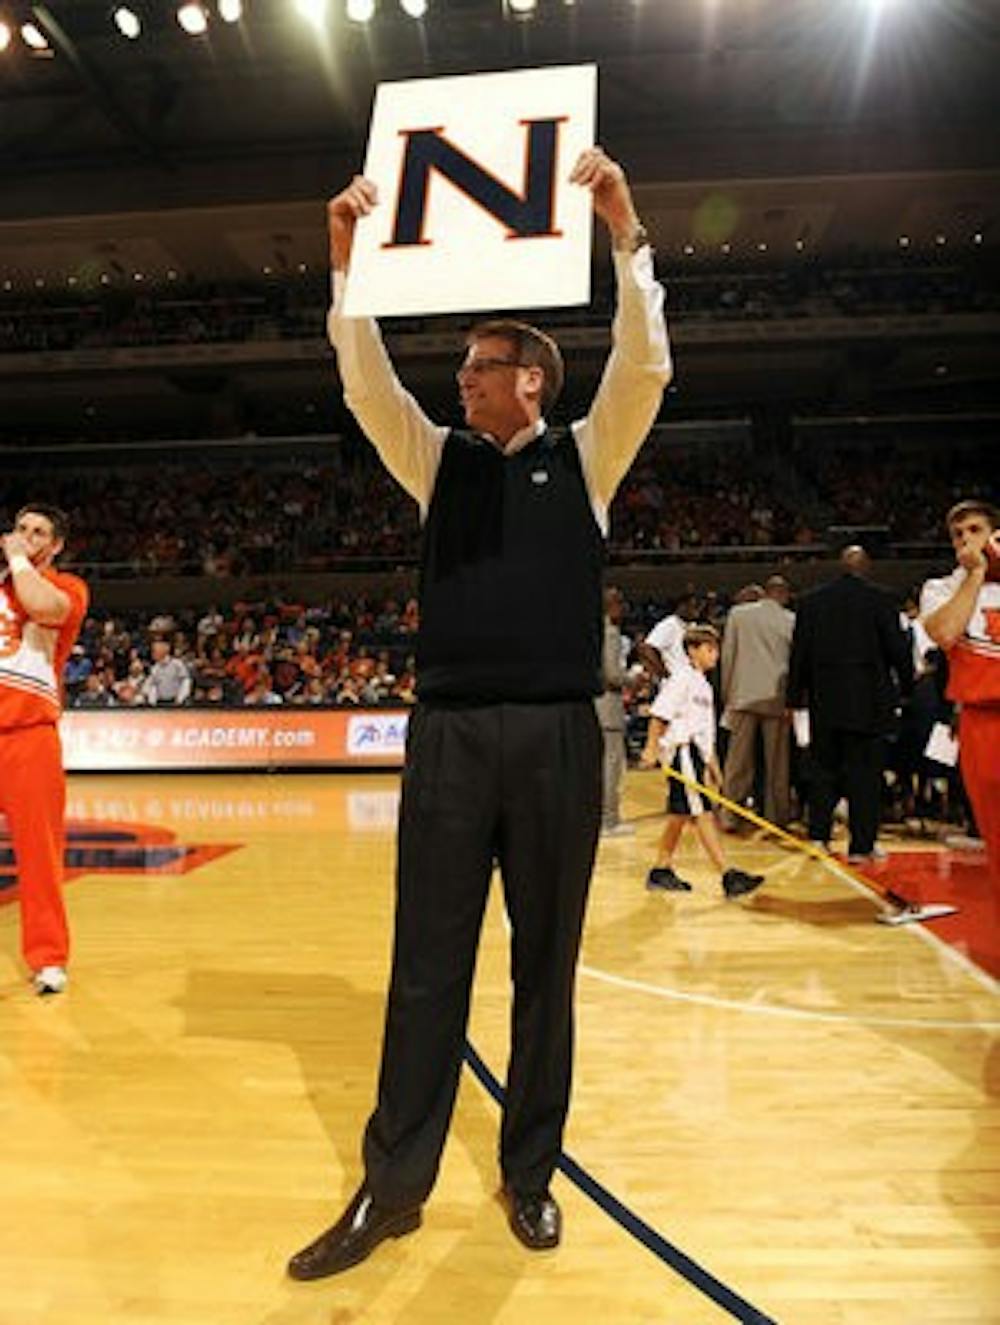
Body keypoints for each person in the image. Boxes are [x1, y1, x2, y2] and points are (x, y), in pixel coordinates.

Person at [287, 147, 671, 1280]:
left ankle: (531, 1172)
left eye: (477, 365)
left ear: (532, 379)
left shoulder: (589, 458)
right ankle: (391, 1184)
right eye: (460, 366)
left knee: (544, 966)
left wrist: (624, 226)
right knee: (425, 966)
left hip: (557, 735)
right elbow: (365, 382)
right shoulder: (435, 460)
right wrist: (344, 262)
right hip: (450, 737)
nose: (457, 379)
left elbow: (644, 367)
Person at [0, 504, 89, 995]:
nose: (27, 537)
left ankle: (48, 959)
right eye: (20, 529)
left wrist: (16, 561)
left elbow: (42, 608)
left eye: (39, 533)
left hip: (28, 737)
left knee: (38, 856)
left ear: (54, 547)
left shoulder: (67, 588)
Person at [786, 545, 914, 862]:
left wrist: (793, 698)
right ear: (866, 567)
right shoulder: (882, 599)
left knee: (823, 770)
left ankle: (819, 836)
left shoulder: (812, 602)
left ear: (841, 567)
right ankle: (862, 845)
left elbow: (798, 654)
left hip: (824, 700)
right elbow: (898, 650)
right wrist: (908, 689)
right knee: (865, 774)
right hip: (869, 702)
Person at [639, 624, 764, 898]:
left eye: (716, 650)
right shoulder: (682, 678)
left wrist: (713, 767)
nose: (715, 655)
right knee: (703, 813)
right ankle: (728, 875)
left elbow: (705, 731)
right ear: (692, 651)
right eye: (710, 649)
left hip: (696, 754)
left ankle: (661, 870)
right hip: (683, 752)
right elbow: (660, 714)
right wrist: (651, 748)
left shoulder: (703, 685)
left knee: (681, 813)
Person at [920, 499, 1000, 877]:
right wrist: (975, 576)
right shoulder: (940, 588)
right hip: (980, 721)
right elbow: (945, 633)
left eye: (975, 531)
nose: (965, 541)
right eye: (957, 534)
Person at [720, 574, 795, 830]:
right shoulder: (791, 620)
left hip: (743, 695)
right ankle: (777, 817)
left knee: (737, 761)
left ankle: (729, 814)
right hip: (777, 698)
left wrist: (728, 694)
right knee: (777, 764)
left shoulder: (739, 616)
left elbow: (728, 657)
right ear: (784, 594)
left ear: (765, 591)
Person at [595, 586, 633, 836]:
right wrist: (633, 680)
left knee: (601, 765)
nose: (625, 608)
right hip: (608, 707)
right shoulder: (610, 633)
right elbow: (612, 675)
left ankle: (600, 818)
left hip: (595, 705)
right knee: (611, 765)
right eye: (620, 603)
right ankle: (609, 820)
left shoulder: (592, 631)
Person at [636, 590, 699, 681]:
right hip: (674, 684)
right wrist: (664, 672)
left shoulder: (693, 626)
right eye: (693, 606)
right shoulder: (669, 624)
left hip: (691, 681)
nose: (696, 610)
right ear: (682, 606)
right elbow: (646, 648)